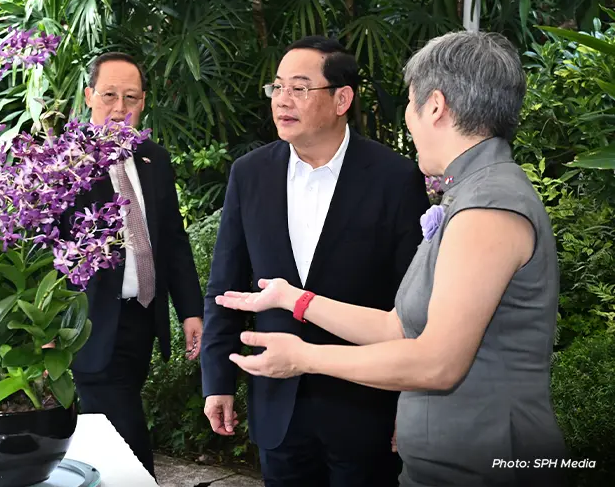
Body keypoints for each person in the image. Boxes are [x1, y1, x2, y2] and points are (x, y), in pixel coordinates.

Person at [213, 31, 568, 487]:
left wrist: (305, 358)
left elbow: (436, 364)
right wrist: (295, 300)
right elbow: (397, 326)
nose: (408, 117)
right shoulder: (471, 193)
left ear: (435, 105)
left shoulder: (488, 208)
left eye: (410, 101)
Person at [200, 36, 431, 486]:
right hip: (277, 405)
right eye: (278, 87)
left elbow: (414, 302)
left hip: (365, 408)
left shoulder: (395, 178)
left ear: (342, 98)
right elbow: (224, 286)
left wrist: (411, 400)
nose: (283, 100)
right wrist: (218, 380)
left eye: (300, 88)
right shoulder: (250, 174)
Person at [66, 52, 204, 478]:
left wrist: (192, 311)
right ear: (89, 96)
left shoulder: (154, 159)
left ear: (143, 102)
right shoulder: (63, 162)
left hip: (140, 318)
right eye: (109, 95)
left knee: (102, 435)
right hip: (85, 325)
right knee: (126, 438)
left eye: (130, 97)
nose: (119, 108)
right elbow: (40, 250)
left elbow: (173, 243)